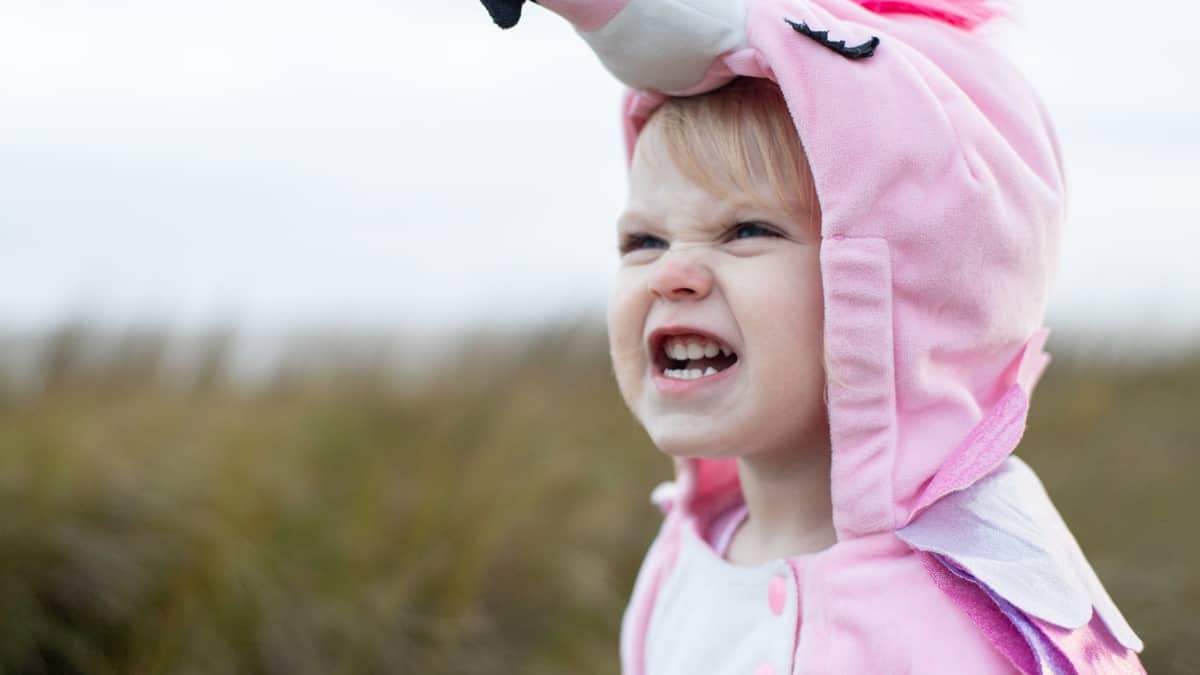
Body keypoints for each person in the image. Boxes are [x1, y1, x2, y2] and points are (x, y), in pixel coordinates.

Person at [480, 0, 1147, 673]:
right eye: (643, 240)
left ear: (900, 293)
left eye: (747, 231)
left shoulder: (981, 606)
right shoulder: (680, 563)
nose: (672, 273)